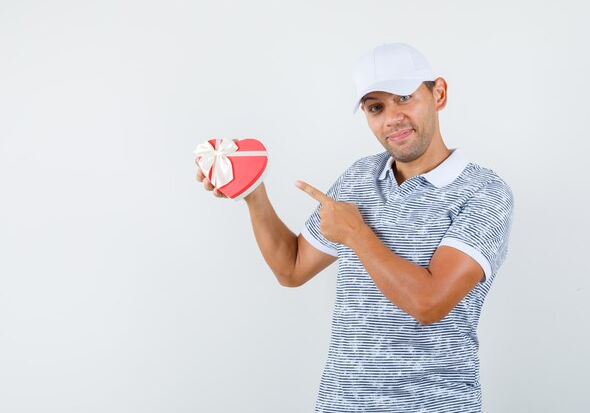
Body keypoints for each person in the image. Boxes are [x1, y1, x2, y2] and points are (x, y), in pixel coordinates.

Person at [196, 42, 514, 413]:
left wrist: (356, 235)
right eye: (376, 107)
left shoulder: (483, 192)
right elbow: (292, 268)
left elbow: (429, 304)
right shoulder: (359, 178)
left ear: (438, 93)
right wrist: (253, 193)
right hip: (340, 403)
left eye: (404, 97)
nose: (392, 117)